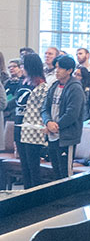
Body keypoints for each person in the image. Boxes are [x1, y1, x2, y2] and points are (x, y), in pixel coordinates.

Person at [42, 55, 85, 179]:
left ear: (69, 70)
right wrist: (48, 121)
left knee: (65, 173)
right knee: (55, 172)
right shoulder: (54, 85)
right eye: (56, 67)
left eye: (60, 68)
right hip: (52, 135)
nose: (57, 70)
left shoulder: (75, 88)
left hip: (66, 136)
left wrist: (57, 126)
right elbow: (45, 108)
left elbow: (72, 113)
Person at [15, 53, 49, 188]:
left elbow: (43, 108)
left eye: (23, 65)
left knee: (33, 167)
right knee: (25, 168)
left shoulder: (41, 85)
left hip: (32, 129)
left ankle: (35, 195)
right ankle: (26, 194)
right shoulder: (22, 82)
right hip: (19, 127)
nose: (21, 67)